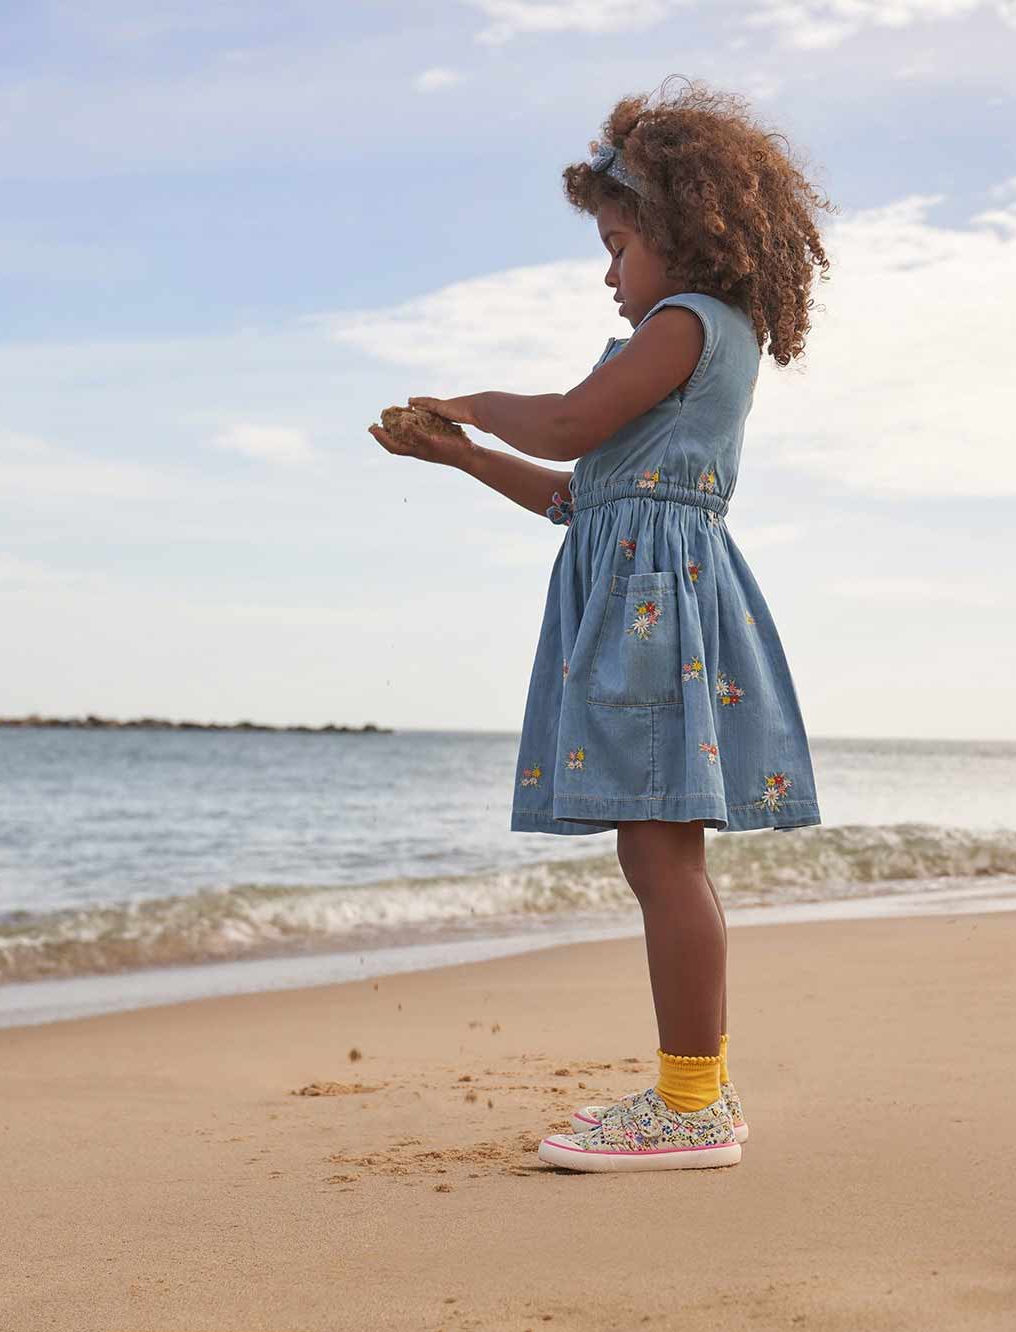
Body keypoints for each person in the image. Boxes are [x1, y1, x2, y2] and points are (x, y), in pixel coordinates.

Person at [369, 78, 835, 1173]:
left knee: (661, 856)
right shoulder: (693, 336)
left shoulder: (688, 325)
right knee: (656, 852)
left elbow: (574, 424)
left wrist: (476, 402)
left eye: (618, 242)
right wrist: (467, 457)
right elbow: (577, 496)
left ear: (680, 230)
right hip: (637, 593)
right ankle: (691, 1092)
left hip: (651, 611)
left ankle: (691, 1105)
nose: (609, 271)